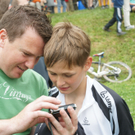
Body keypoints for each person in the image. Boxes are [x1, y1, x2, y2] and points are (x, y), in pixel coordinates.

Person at [35, 22, 135, 135]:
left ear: (87, 64)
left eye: (68, 75)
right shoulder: (48, 101)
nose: (59, 82)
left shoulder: (111, 104)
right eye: (53, 73)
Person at [0, 6, 78, 135]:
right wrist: (15, 123)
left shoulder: (37, 82)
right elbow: (18, 123)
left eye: (38, 58)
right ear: (3, 38)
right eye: (25, 53)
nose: (31, 66)